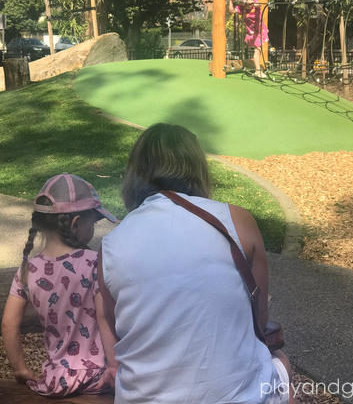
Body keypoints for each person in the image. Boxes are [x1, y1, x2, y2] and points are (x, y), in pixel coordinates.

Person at [97, 123, 294, 404]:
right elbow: (259, 322)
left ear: (134, 174)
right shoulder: (237, 221)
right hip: (239, 397)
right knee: (281, 362)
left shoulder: (111, 245)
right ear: (197, 169)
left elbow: (116, 327)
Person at [1, 173, 119, 397]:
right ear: (76, 224)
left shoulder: (28, 270)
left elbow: (8, 324)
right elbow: (105, 318)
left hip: (56, 380)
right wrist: (114, 367)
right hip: (98, 378)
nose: (93, 229)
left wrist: (20, 368)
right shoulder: (94, 263)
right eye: (92, 222)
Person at [229, 0, 270, 78]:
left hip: (260, 30)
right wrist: (231, 1)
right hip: (252, 33)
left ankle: (258, 70)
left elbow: (258, 4)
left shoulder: (255, 4)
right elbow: (232, 11)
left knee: (259, 50)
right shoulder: (241, 8)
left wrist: (250, 2)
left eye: (247, 2)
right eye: (244, 4)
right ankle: (258, 71)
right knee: (258, 50)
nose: (247, 6)